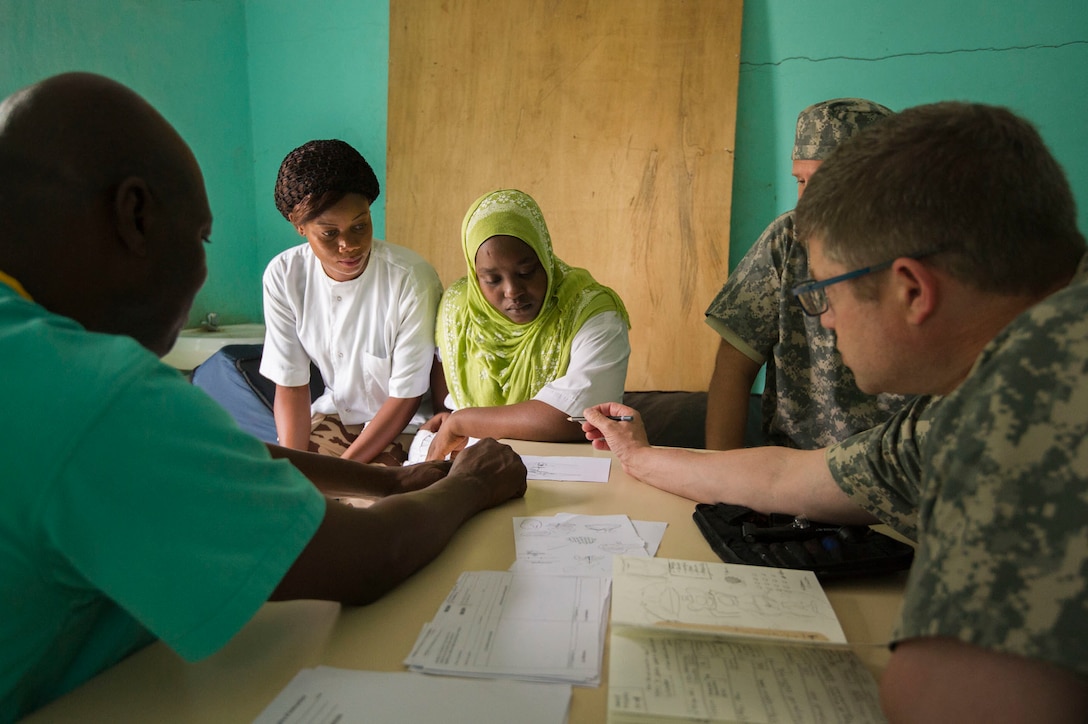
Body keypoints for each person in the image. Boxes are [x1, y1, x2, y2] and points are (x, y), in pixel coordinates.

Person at [0, 72, 526, 721]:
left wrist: (386, 484)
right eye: (202, 238)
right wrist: (469, 484)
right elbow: (369, 557)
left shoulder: (33, 356)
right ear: (134, 217)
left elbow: (218, 460)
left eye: (359, 226)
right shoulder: (95, 391)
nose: (201, 271)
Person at [581, 101, 1088, 720]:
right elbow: (789, 477)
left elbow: (936, 699)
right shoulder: (962, 396)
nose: (820, 317)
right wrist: (640, 453)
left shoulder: (1034, 389)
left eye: (823, 291)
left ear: (911, 290)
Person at [705, 98, 909, 450]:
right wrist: (719, 491)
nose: (807, 204)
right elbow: (733, 365)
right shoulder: (788, 240)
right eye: (801, 181)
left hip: (902, 477)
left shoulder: (929, 251)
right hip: (794, 473)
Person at [258, 139, 444, 465]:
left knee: (363, 505)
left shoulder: (410, 278)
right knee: (274, 502)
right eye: (329, 233)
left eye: (360, 226)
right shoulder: (284, 276)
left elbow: (406, 397)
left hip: (404, 425)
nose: (349, 245)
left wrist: (343, 472)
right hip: (336, 417)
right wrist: (292, 471)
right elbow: (291, 386)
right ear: (299, 227)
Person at [423, 188, 630, 461]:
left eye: (526, 272)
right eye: (492, 279)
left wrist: (463, 422)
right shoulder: (460, 307)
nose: (512, 291)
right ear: (475, 278)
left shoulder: (592, 312)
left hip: (567, 472)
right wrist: (450, 422)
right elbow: (445, 399)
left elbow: (578, 417)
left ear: (545, 258)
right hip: (472, 465)